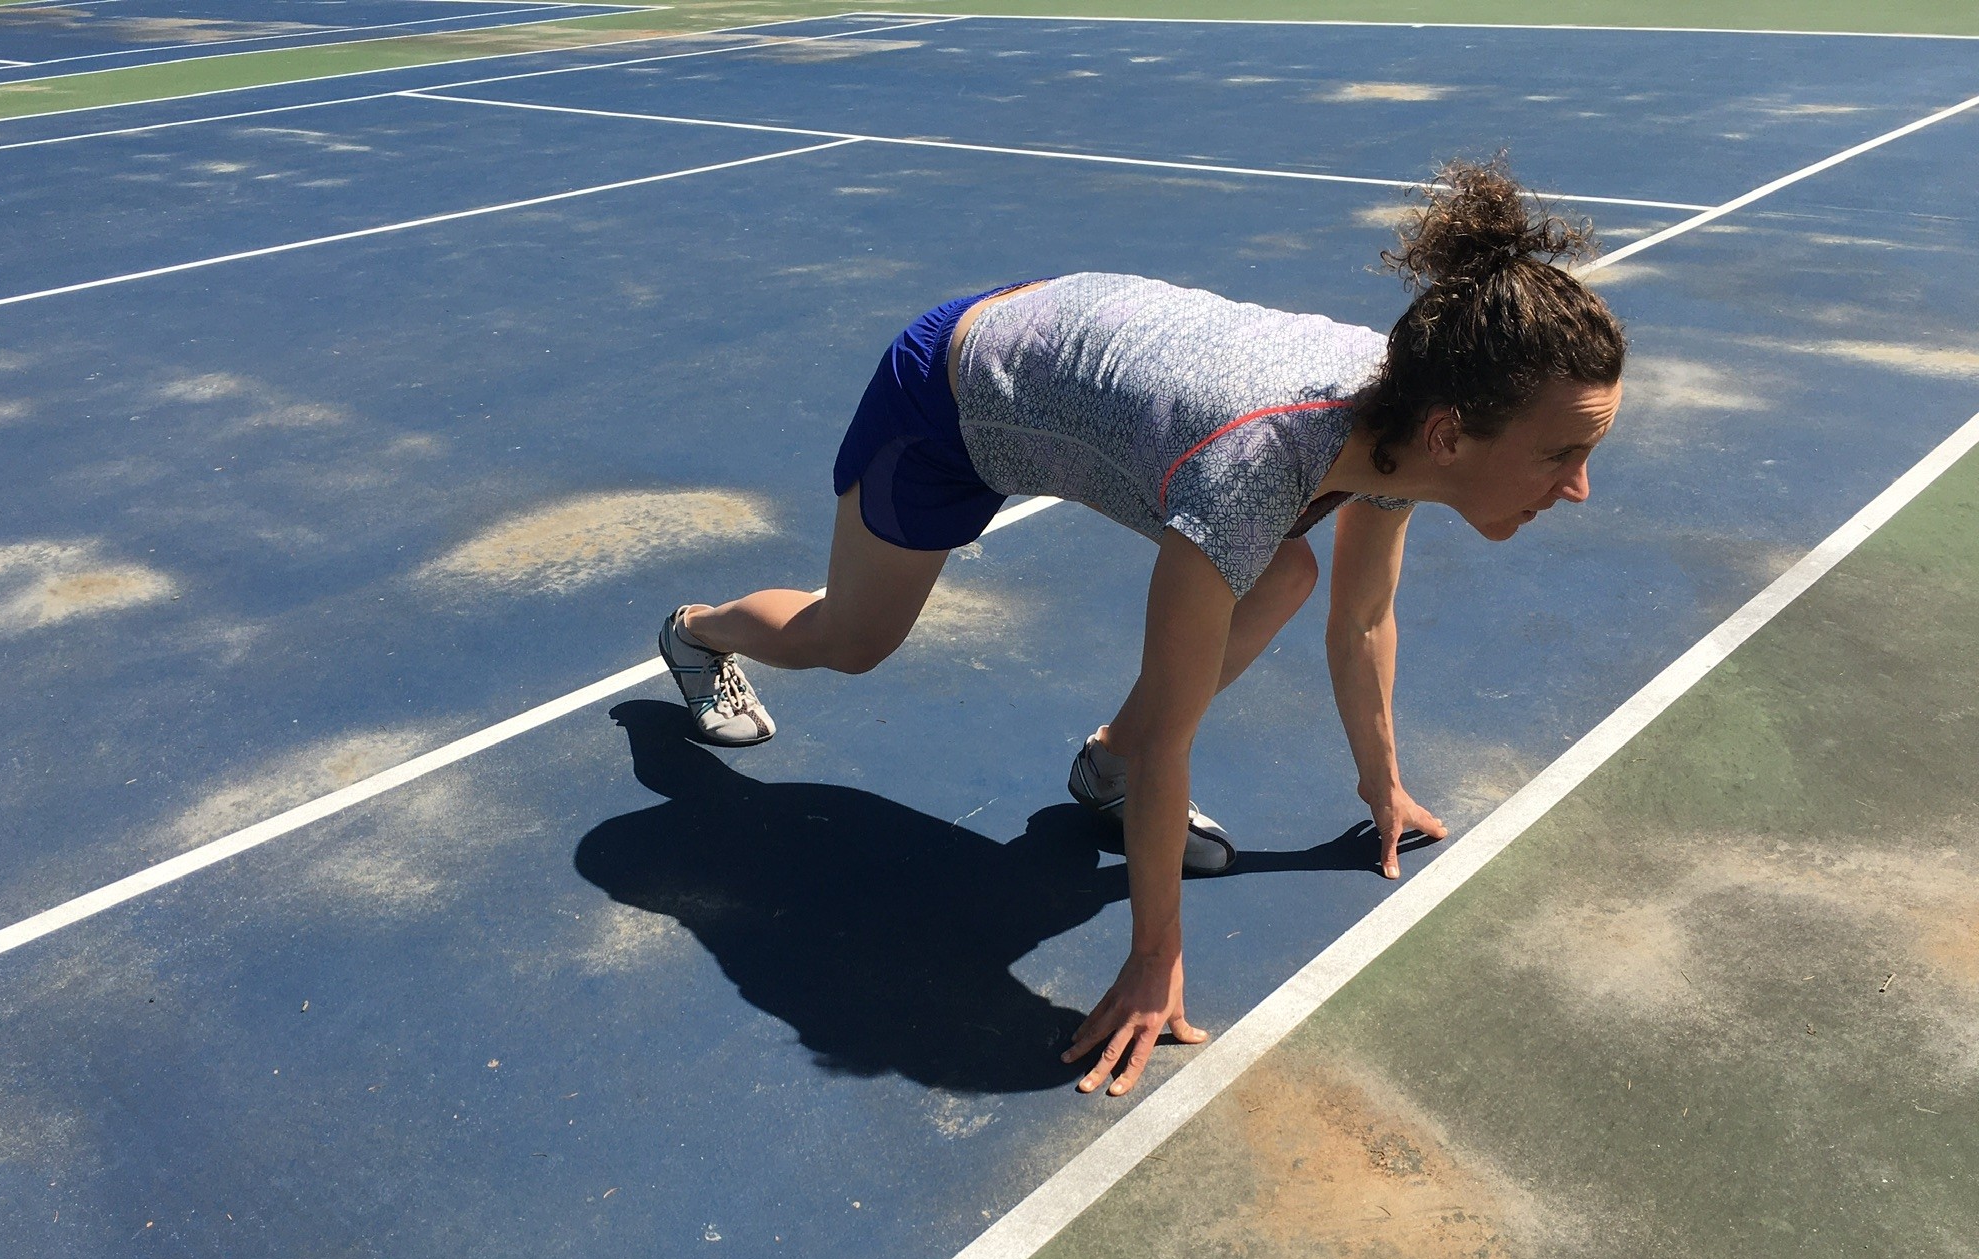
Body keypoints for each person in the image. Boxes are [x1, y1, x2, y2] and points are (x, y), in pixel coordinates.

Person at [657, 156, 1626, 1098]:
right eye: (1561, 454)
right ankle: (699, 633)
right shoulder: (1255, 468)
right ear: (1451, 436)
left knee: (1284, 572)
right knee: (851, 640)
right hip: (955, 397)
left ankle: (1101, 769)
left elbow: (1363, 615)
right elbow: (1175, 735)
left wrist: (1382, 785)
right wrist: (1153, 958)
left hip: (1093, 360)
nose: (1579, 487)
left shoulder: (1410, 417)